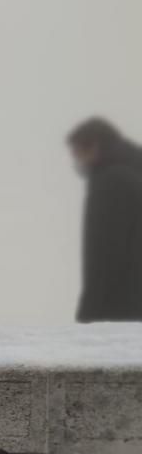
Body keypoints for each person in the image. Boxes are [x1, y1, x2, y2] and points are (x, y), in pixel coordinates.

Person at [68, 117, 142, 322]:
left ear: (93, 146)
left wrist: (88, 314)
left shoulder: (111, 183)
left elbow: (106, 253)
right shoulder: (134, 172)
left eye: (77, 153)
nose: (76, 161)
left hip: (119, 312)